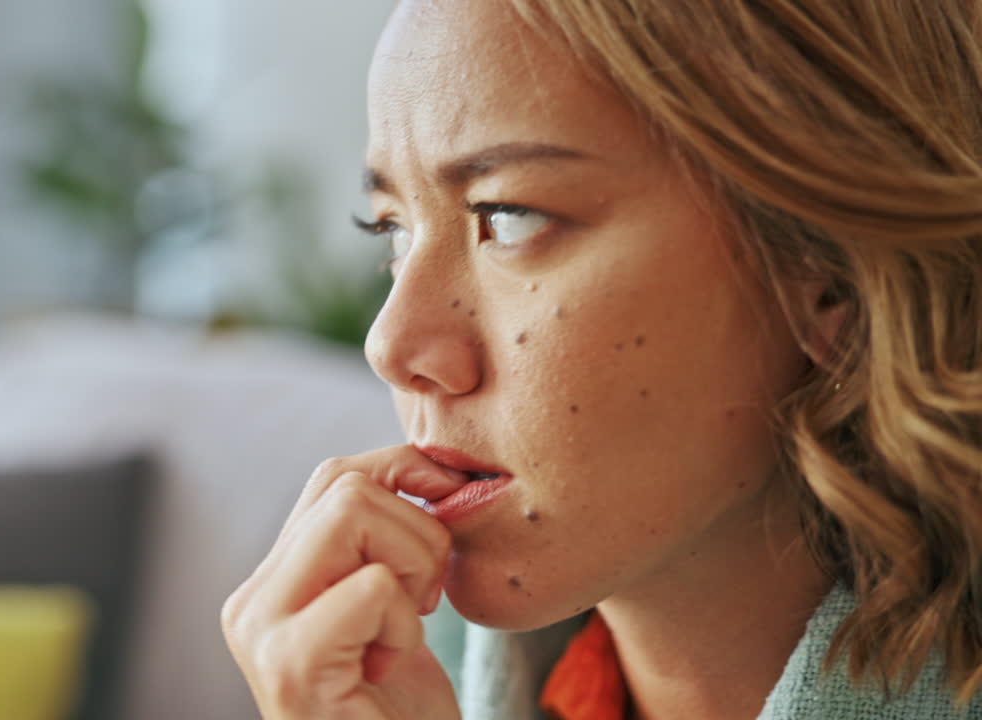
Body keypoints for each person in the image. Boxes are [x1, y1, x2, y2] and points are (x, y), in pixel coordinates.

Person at [221, 0, 982, 718]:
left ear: (834, 273)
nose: (389, 347)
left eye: (509, 215)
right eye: (392, 230)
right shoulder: (404, 684)